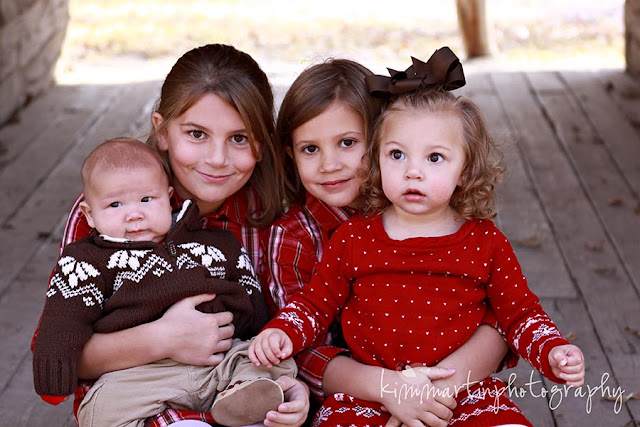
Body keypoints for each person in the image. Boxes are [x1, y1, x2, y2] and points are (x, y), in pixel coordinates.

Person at [250, 49, 586, 426]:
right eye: (398, 155)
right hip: (364, 399)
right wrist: (283, 330)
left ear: (465, 169)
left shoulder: (483, 241)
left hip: (465, 394)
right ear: (381, 153)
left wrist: (553, 351)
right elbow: (314, 304)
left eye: (434, 158)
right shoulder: (352, 237)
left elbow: (517, 314)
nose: (413, 172)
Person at [31, 44, 310, 427]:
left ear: (261, 144)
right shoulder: (113, 210)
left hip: (233, 387)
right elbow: (61, 350)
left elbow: (287, 326)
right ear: (162, 131)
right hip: (137, 396)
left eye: (239, 138)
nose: (217, 158)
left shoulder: (273, 218)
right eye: (196, 134)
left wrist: (291, 386)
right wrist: (162, 338)